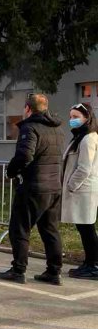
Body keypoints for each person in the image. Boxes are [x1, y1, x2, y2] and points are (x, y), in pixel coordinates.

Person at [0, 94, 65, 284]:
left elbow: (25, 155)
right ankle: (54, 271)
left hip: (34, 186)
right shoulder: (58, 128)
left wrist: (11, 171)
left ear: (28, 109)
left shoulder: (29, 127)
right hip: (54, 187)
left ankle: (18, 270)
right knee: (50, 230)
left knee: (19, 229)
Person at [62, 103, 98, 280]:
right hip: (80, 191)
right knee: (84, 228)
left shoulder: (89, 138)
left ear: (87, 118)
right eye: (70, 117)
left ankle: (94, 265)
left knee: (87, 228)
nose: (72, 120)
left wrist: (70, 185)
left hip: (83, 191)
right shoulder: (80, 137)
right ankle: (89, 262)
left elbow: (84, 168)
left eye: (76, 117)